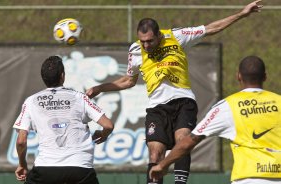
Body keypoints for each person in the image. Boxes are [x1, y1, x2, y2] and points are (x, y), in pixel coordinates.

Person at [86, 1, 263, 183]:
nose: (146, 45)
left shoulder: (177, 36)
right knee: (155, 152)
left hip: (183, 100)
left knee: (182, 139)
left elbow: (210, 28)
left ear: (159, 35)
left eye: (150, 41)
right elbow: (129, 81)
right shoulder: (135, 50)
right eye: (142, 41)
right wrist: (100, 88)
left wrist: (242, 14)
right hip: (156, 108)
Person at [150, 55, 281, 184]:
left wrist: (163, 165)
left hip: (248, 178)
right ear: (265, 76)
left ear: (238, 76)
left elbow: (189, 141)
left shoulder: (228, 106)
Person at [13, 56, 114, 184]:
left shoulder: (31, 101)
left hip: (45, 169)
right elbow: (108, 125)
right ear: (62, 76)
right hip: (80, 169)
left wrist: (22, 164)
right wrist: (103, 134)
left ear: (43, 77)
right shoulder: (80, 97)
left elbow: (21, 141)